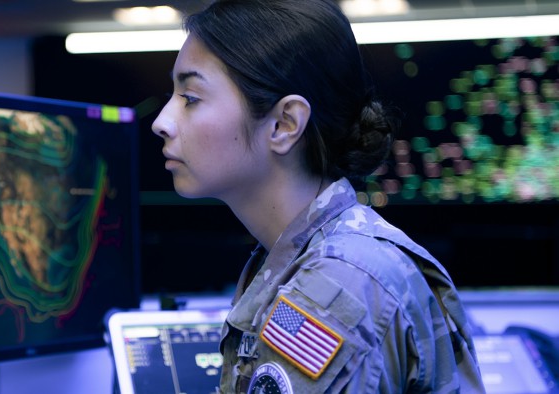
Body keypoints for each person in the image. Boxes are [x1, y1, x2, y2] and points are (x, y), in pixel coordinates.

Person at [151, 0, 486, 392]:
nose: (161, 122)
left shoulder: (336, 283)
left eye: (190, 98)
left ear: (284, 123)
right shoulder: (311, 258)